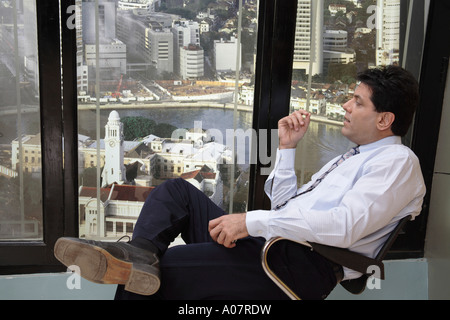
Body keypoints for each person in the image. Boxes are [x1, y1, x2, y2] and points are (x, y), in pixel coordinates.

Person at [54, 65, 426, 300]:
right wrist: (287, 149)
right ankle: (139, 255)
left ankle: (140, 265)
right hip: (274, 245)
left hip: (294, 266)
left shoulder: (397, 163)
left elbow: (344, 229)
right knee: (175, 193)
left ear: (384, 120)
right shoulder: (353, 158)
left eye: (358, 102)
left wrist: (250, 222)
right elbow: (285, 208)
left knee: (154, 277)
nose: (346, 105)